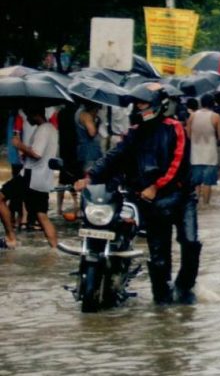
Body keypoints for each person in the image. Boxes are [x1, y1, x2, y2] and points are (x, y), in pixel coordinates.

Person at [74, 85, 201, 305]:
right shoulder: (134, 132)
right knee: (159, 256)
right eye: (138, 104)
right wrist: (90, 177)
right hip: (152, 202)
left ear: (157, 105)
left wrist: (156, 186)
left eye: (144, 103)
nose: (139, 107)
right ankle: (162, 303)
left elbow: (178, 162)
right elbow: (114, 156)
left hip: (181, 196)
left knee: (190, 242)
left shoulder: (175, 128)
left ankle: (184, 287)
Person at [0, 107, 59, 249]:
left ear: (36, 114)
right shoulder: (51, 129)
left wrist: (19, 145)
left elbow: (37, 153)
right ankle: (54, 249)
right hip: (43, 179)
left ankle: (11, 237)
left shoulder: (43, 129)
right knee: (42, 216)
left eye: (28, 115)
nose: (27, 119)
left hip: (30, 176)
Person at [187, 94, 220, 205]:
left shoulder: (192, 116)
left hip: (195, 154)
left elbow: (188, 135)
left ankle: (196, 204)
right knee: (208, 183)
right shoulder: (216, 116)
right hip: (210, 154)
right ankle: (206, 204)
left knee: (196, 182)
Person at [56, 102, 80, 216]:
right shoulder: (78, 113)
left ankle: (59, 208)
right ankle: (76, 204)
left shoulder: (60, 113)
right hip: (75, 149)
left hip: (63, 148)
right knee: (74, 178)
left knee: (62, 178)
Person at [75, 101, 103, 172]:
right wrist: (97, 122)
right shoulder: (86, 116)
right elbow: (92, 133)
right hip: (89, 152)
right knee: (89, 173)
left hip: (85, 150)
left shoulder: (79, 111)